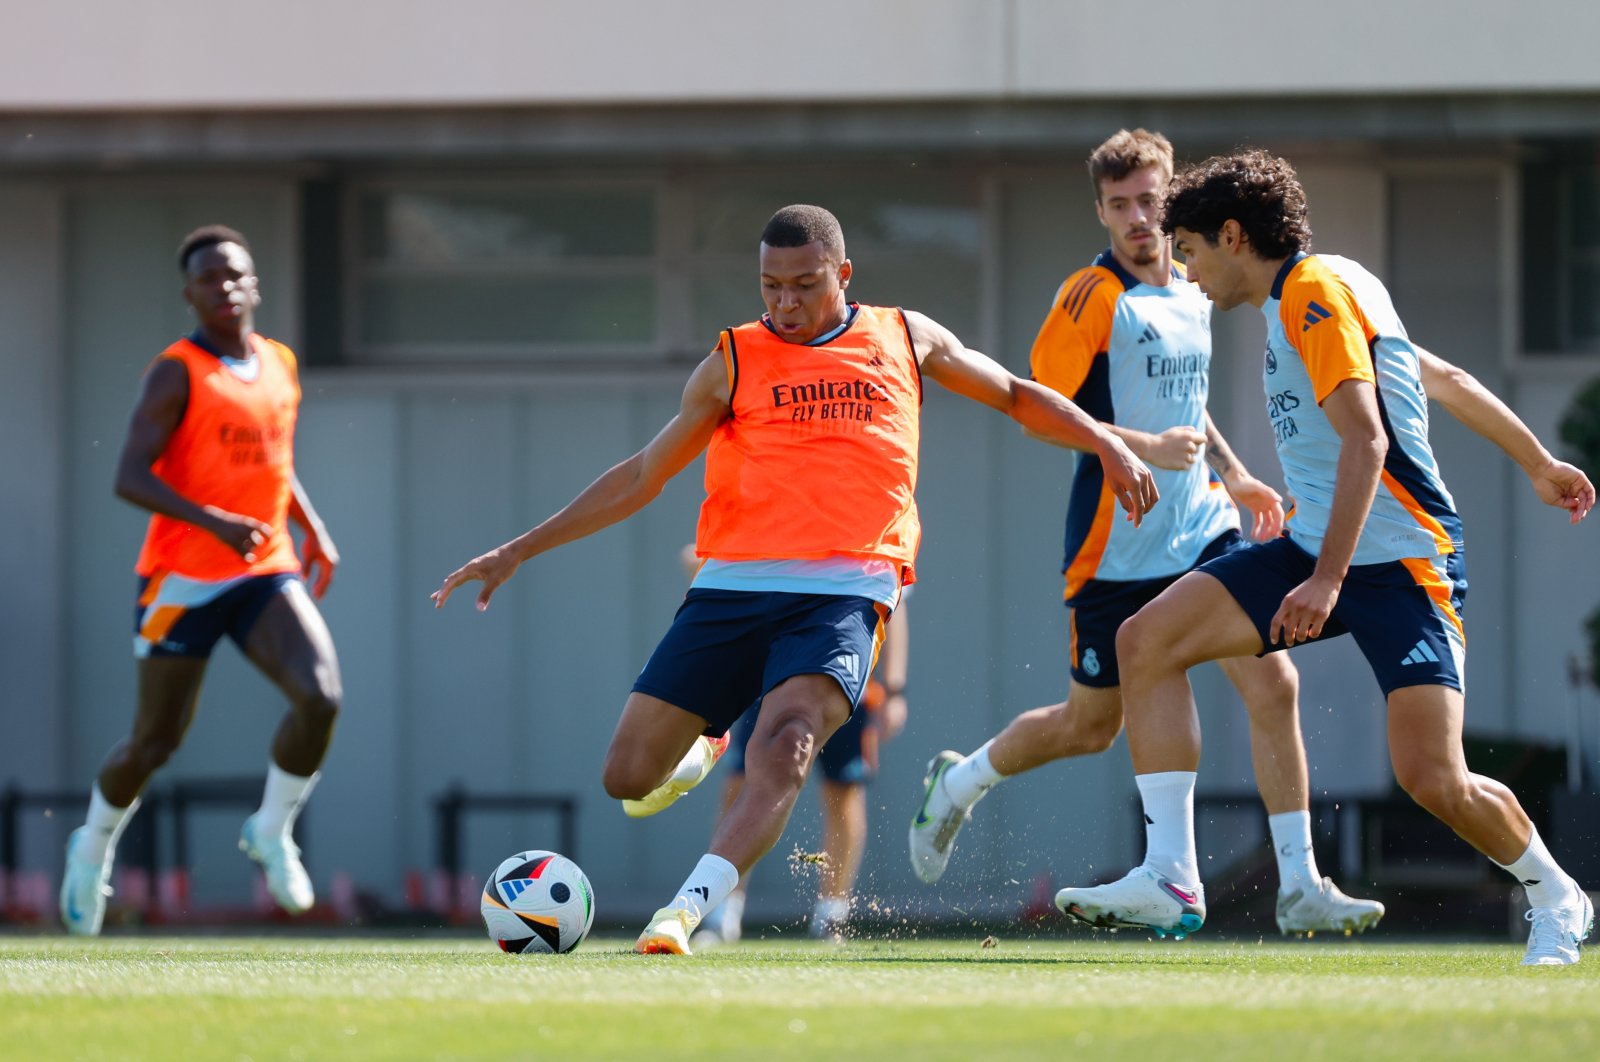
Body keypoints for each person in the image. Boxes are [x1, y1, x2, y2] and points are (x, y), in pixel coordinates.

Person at [432, 203, 1158, 956]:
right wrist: (521, 548)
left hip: (848, 586)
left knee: (786, 744)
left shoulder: (905, 336)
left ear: (844, 275)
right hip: (733, 585)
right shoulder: (733, 359)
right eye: (769, 287)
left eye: (805, 286)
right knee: (627, 776)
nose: (785, 304)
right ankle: (709, 741)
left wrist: (1106, 442)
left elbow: (1013, 393)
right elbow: (643, 475)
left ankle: (685, 913)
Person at [1053, 150, 1597, 966]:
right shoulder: (1322, 285)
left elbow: (1368, 439)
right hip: (1318, 545)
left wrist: (1327, 581)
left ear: (1232, 237)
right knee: (1145, 640)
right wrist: (1537, 462)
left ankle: (1556, 895)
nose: (1187, 271)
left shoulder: (1311, 293)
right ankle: (1169, 875)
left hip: (1404, 564)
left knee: (1431, 779)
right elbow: (1440, 378)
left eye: (1192, 250)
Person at [908, 129, 1384, 936]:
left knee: (1273, 681)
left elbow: (1186, 405)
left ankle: (1300, 882)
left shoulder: (1197, 289)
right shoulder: (1089, 297)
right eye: (1120, 204)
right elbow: (1041, 416)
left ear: (1172, 201)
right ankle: (960, 783)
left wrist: (1231, 473)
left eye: (1150, 201)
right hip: (1115, 545)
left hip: (1201, 527)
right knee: (1089, 727)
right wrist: (1138, 446)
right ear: (1099, 209)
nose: (1138, 217)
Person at [60, 226, 344, 935]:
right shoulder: (176, 371)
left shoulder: (279, 362)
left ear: (254, 283)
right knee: (154, 743)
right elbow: (129, 476)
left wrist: (310, 524)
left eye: (235, 274)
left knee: (321, 696)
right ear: (189, 293)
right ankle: (91, 845)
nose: (225, 287)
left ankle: (271, 831)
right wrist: (213, 520)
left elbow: (274, 462)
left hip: (263, 565)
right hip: (181, 579)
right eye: (209, 278)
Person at [695, 582, 910, 947]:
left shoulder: (877, 537)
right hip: (775, 671)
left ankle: (832, 916)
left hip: (848, 669)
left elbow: (896, 605)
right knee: (742, 782)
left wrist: (893, 689)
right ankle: (721, 913)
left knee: (843, 792)